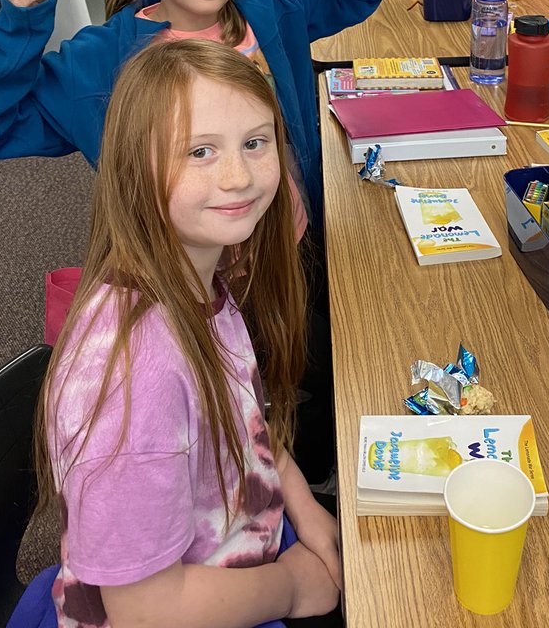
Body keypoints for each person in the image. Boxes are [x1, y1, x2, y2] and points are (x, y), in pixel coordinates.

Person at [31, 39, 341, 628]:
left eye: (255, 142)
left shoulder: (202, 274)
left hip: (244, 541)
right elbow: (147, 611)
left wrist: (302, 504)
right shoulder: (137, 378)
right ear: (133, 168)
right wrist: (293, 587)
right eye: (200, 151)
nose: (238, 176)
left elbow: (245, 421)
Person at [0, 0, 381, 232]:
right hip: (183, 270)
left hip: (285, 238)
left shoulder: (271, 7)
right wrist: (19, 28)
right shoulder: (99, 60)